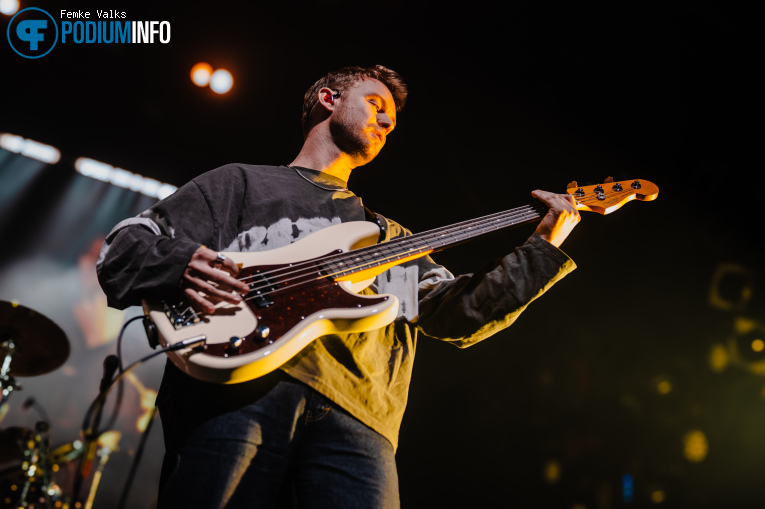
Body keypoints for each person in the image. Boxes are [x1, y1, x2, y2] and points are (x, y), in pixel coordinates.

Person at [97, 65, 580, 508]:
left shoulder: (390, 238)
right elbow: (124, 248)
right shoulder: (239, 185)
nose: (388, 123)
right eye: (376, 104)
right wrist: (182, 264)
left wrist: (544, 244)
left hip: (358, 420)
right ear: (329, 98)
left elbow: (462, 314)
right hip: (234, 395)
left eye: (392, 119)